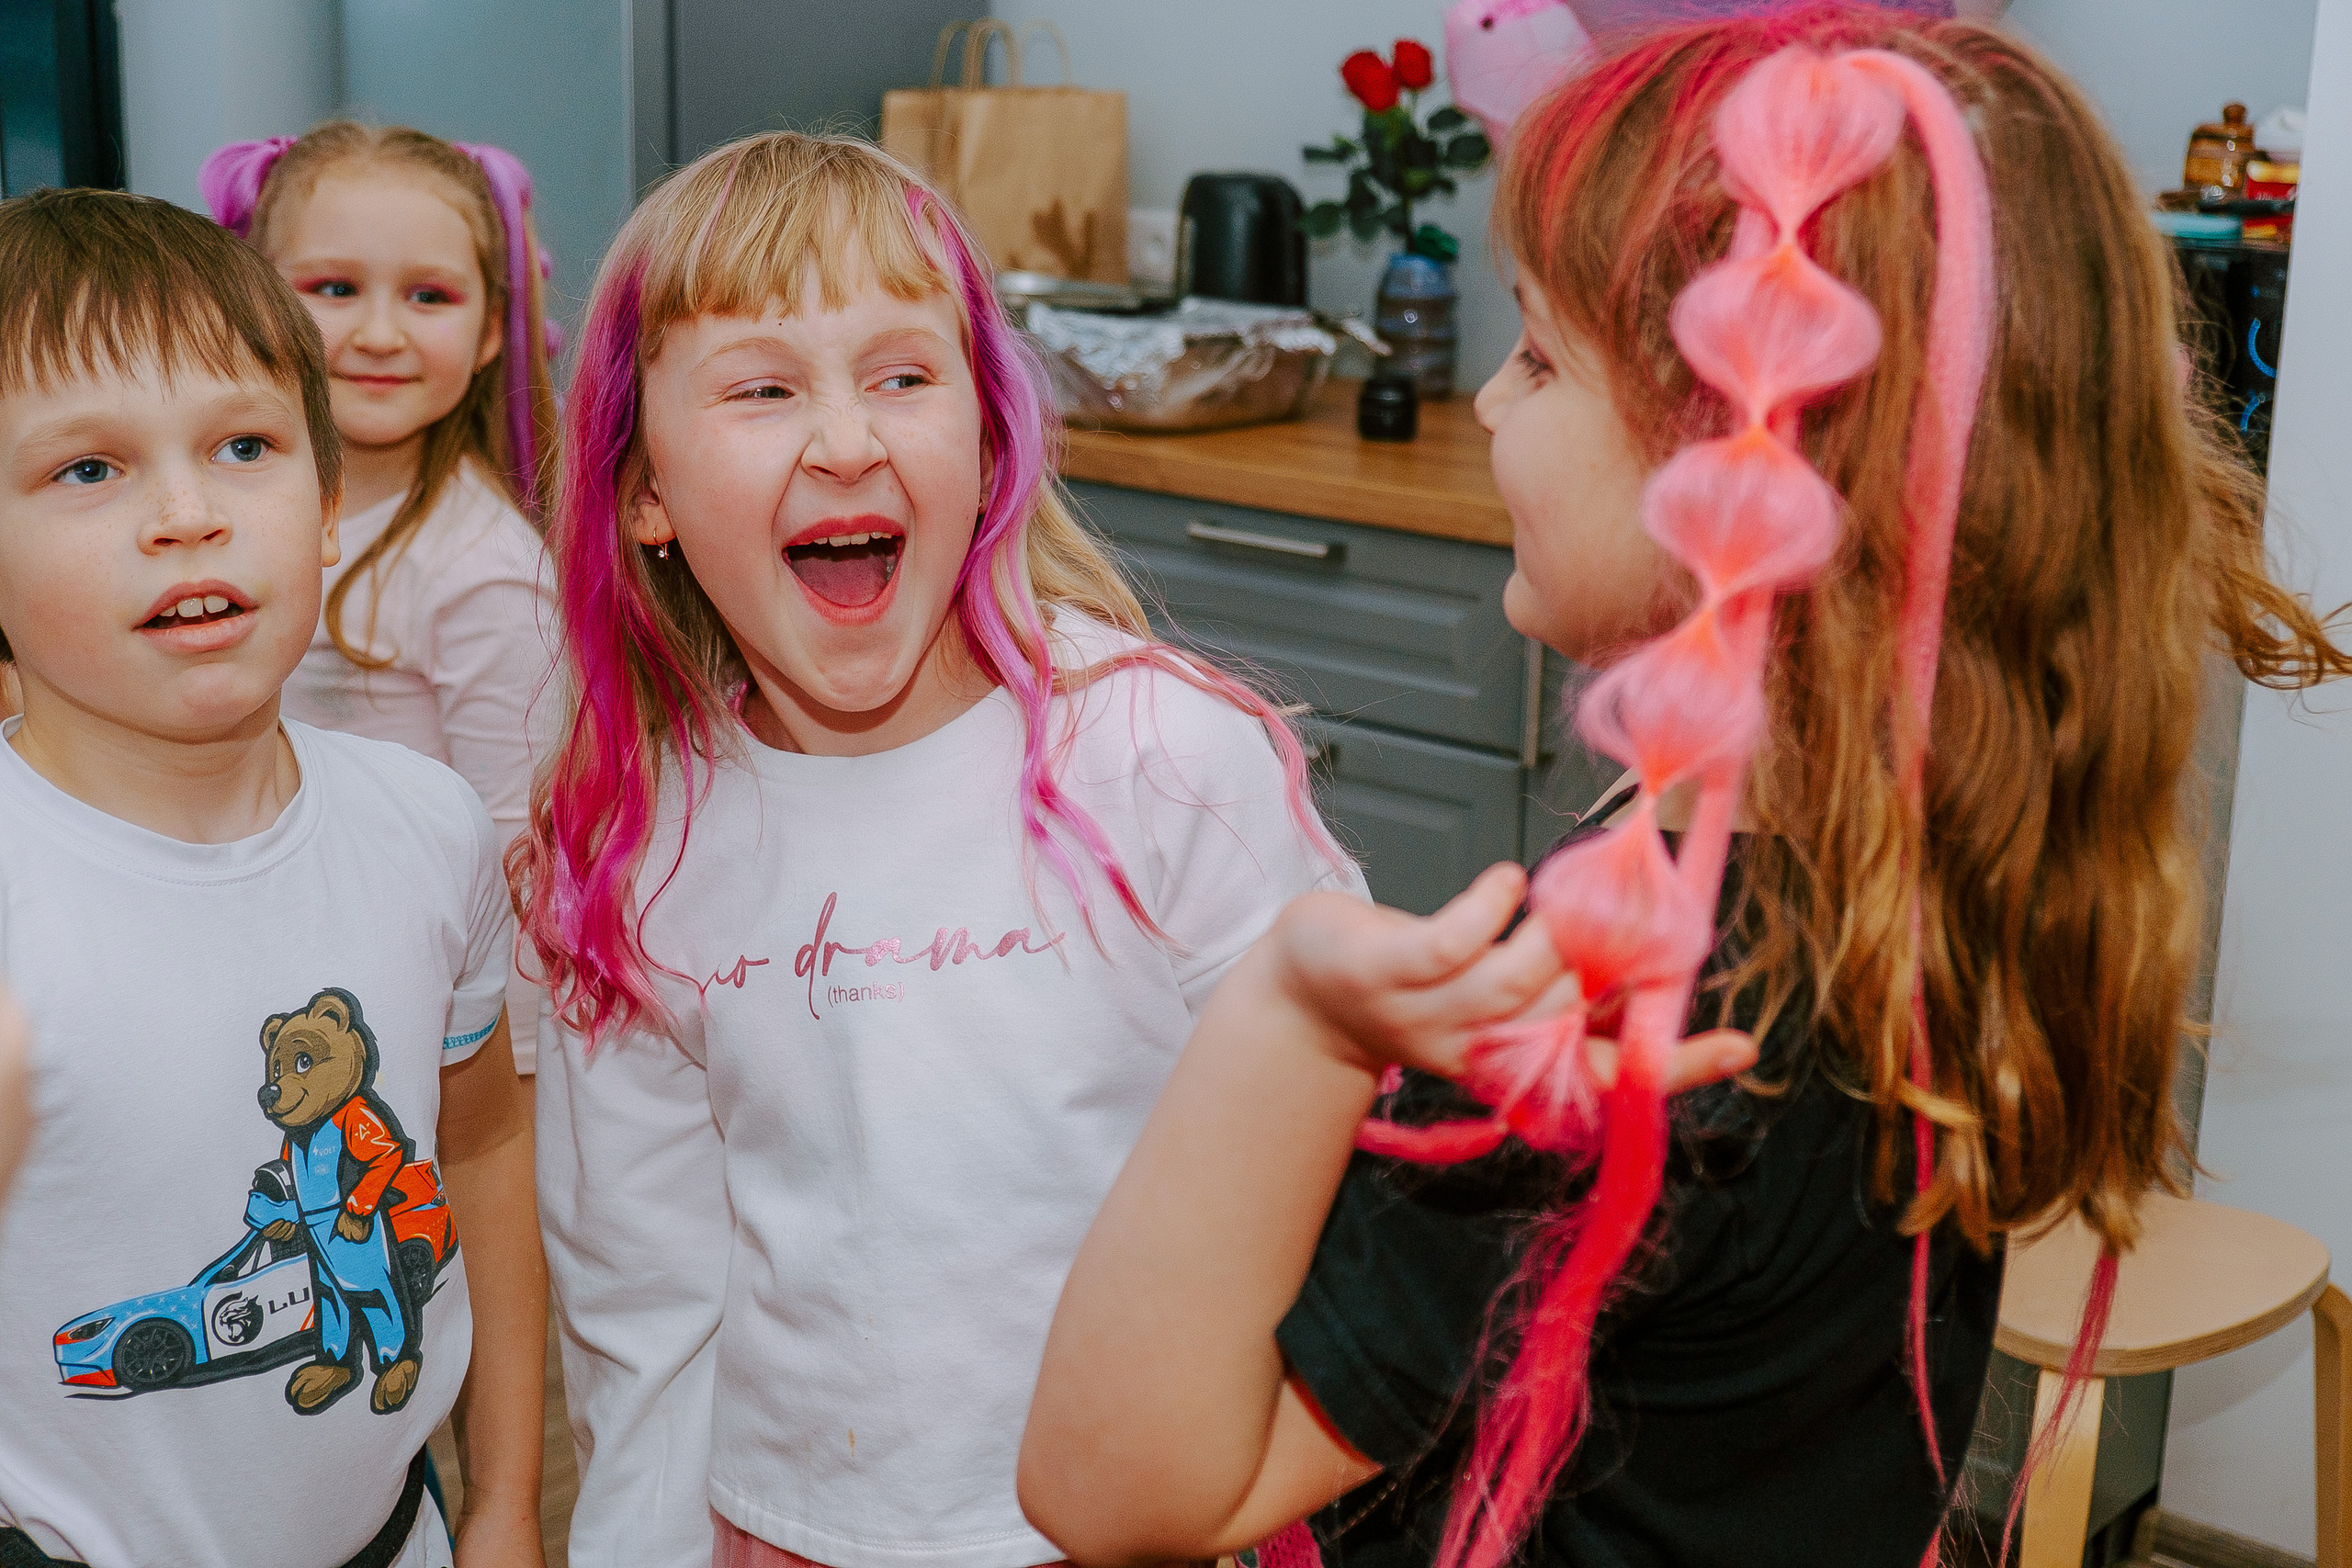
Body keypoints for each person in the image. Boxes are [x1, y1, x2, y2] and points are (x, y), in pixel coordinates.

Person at [1017, 10, 2352, 1568]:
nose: (1495, 409)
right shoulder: (1933, 858)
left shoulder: (1621, 1004)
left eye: (1537, 354)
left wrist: (1287, 1015)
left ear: (1738, 462)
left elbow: (1113, 1488)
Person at [511, 131, 1363, 1568]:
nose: (848, 439)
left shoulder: (1162, 760)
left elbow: (1346, 1166)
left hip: (1159, 1521)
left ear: (987, 444)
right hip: (794, 1533)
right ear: (644, 492)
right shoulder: (637, 851)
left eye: (904, 377)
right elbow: (648, 1310)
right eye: (765, 388)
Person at [0, 189, 547, 1568]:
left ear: (324, 503)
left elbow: (477, 1144)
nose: (186, 514)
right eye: (88, 469)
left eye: (244, 445)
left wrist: (503, 1502)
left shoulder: (426, 825)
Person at [202, 123, 560, 1070]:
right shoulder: (213, 512)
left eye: (429, 297)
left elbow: (524, 858)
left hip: (425, 1029)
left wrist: (504, 1079)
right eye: (333, 289)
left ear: (491, 331)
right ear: (252, 298)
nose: (378, 334)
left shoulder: (478, 568)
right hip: (282, 972)